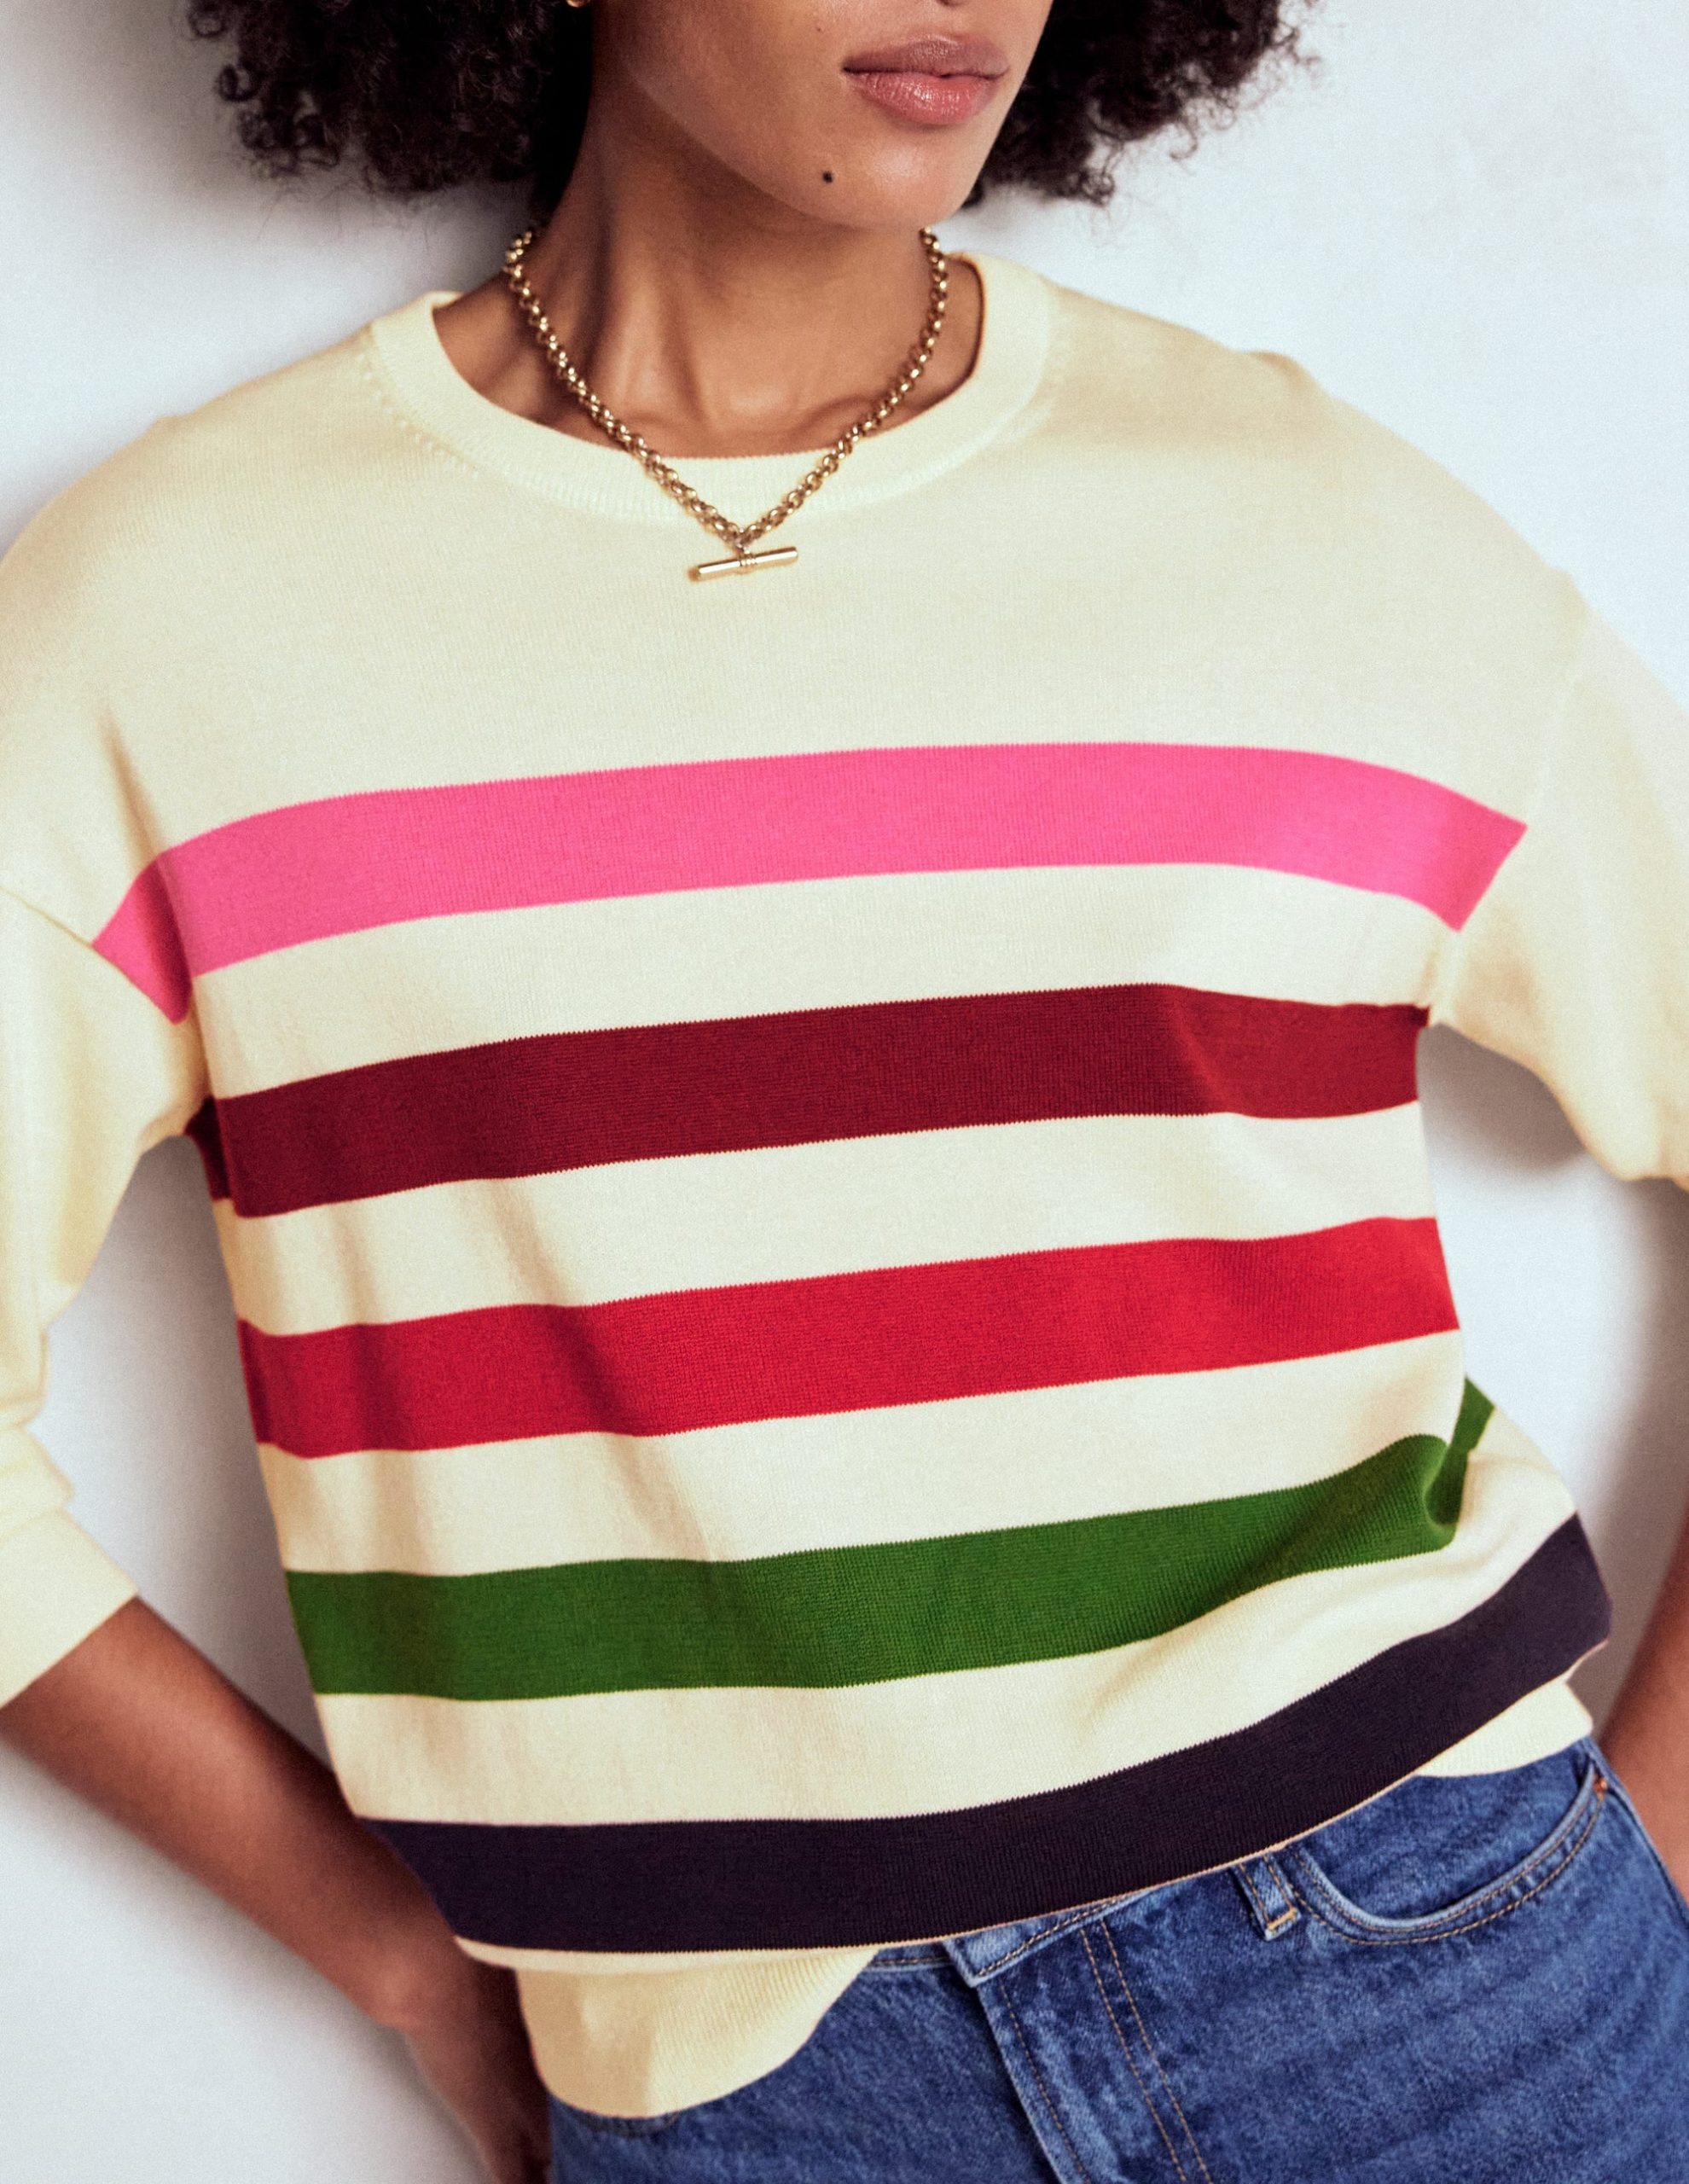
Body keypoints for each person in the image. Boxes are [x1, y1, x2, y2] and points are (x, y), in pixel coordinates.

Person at [3, 0, 1689, 2177]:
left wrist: (1646, 1866)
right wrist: (396, 1946)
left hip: (1451, 1978)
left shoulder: (1305, 530)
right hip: (762, 2105)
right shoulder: (166, 623)